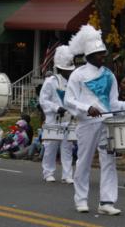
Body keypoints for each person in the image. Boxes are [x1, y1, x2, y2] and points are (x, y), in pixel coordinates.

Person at [65, 25, 125, 215]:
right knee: (84, 161)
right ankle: (81, 200)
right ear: (89, 55)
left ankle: (107, 202)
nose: (103, 57)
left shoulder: (109, 75)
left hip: (107, 123)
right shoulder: (78, 75)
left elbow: (112, 102)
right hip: (86, 124)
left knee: (109, 161)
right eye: (99, 54)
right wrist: (87, 108)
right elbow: (69, 100)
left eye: (103, 53)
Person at [39, 45, 75, 184]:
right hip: (53, 118)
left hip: (68, 119)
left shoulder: (73, 82)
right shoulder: (50, 82)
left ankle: (67, 174)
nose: (68, 73)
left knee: (67, 147)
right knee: (50, 146)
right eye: (66, 70)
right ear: (59, 69)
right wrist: (55, 108)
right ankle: (48, 172)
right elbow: (43, 100)